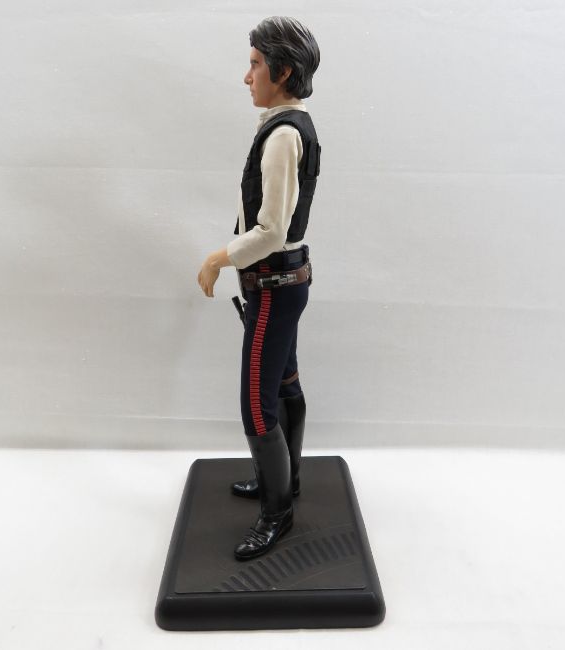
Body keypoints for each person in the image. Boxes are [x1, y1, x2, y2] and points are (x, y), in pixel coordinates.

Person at [197, 16, 321, 561]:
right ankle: (284, 481)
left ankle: (277, 513)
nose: (247, 77)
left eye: (254, 64)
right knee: (284, 381)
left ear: (283, 70)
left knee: (256, 401)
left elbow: (270, 230)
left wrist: (217, 258)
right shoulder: (286, 126)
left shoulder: (284, 135)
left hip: (273, 285)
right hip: (284, 280)